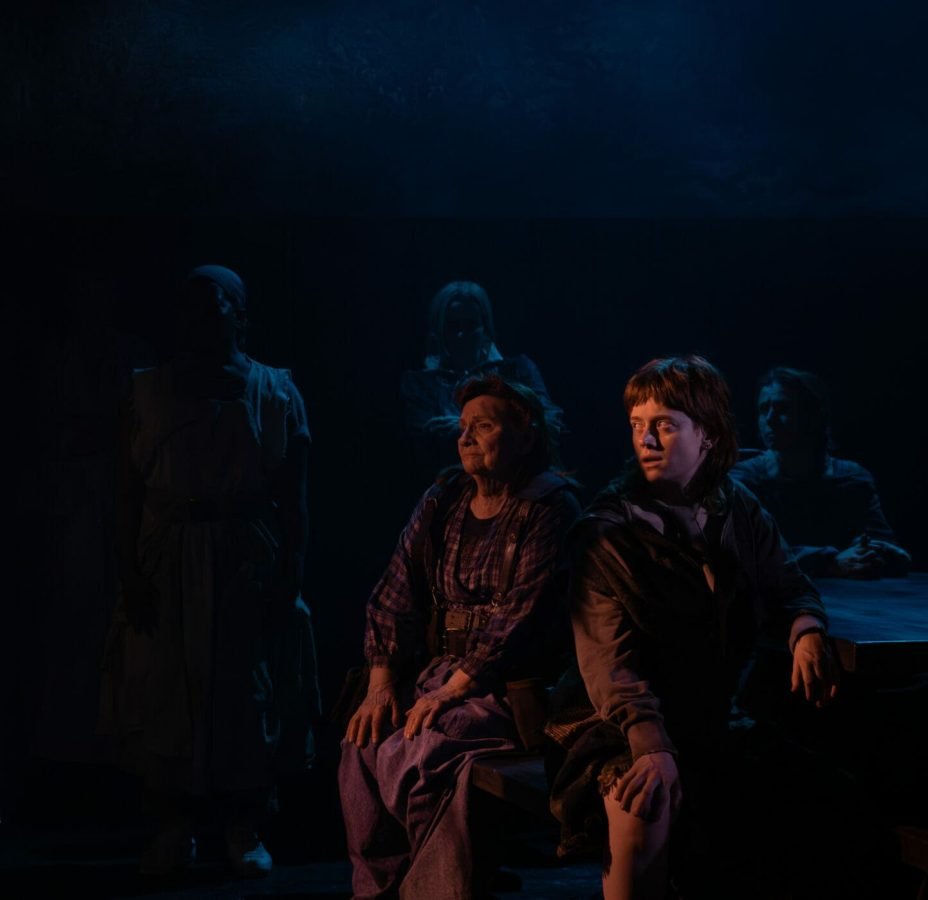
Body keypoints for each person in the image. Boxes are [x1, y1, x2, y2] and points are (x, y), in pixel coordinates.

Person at [548, 355, 841, 899]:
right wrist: (650, 741)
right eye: (638, 425)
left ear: (706, 434)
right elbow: (609, 660)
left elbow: (788, 581)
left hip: (712, 712)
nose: (647, 440)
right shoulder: (606, 530)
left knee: (817, 794)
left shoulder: (736, 507)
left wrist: (806, 627)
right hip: (618, 716)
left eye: (664, 424)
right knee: (645, 803)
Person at [101, 265, 319, 878]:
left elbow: (295, 496)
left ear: (240, 314)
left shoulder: (274, 391)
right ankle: (173, 825)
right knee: (163, 688)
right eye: (190, 305)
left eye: (215, 304)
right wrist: (131, 575)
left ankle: (242, 822)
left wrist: (289, 576)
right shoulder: (148, 392)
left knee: (243, 692)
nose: (202, 316)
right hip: (167, 555)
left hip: (242, 552)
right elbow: (124, 492)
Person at [340, 375, 579, 900]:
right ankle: (380, 889)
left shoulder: (550, 508)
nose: (465, 437)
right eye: (463, 427)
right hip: (438, 675)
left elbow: (522, 617)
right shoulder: (444, 498)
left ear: (526, 434)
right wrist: (380, 687)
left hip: (507, 688)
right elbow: (394, 591)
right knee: (361, 744)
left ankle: (440, 890)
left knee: (426, 751)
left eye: (484, 426)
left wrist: (452, 690)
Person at [733, 367, 910, 578]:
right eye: (764, 409)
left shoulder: (851, 479)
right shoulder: (745, 479)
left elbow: (881, 540)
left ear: (814, 414)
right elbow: (745, 548)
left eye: (783, 408)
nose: (769, 418)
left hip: (857, 602)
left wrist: (869, 552)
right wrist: (829, 561)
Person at [400, 281, 562, 476]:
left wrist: (464, 427)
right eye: (453, 325)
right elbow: (422, 444)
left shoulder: (517, 370)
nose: (461, 334)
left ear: (485, 327)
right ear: (439, 329)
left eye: (470, 325)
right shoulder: (420, 383)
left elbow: (549, 424)